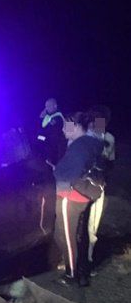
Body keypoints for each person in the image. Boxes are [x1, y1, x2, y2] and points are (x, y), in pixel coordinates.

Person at [53, 110, 104, 286]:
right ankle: (80, 267)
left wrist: (57, 170)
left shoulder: (79, 147)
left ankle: (71, 274)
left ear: (75, 126)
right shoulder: (90, 142)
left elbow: (66, 172)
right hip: (81, 195)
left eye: (66, 125)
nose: (62, 129)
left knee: (66, 236)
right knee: (64, 234)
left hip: (71, 196)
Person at [86, 105, 116, 264]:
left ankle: (88, 258)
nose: (96, 124)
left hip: (98, 186)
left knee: (92, 224)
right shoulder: (84, 137)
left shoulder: (109, 138)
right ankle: (77, 259)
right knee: (82, 223)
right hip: (81, 187)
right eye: (94, 120)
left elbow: (110, 163)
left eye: (100, 121)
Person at [35, 98, 67, 166]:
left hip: (60, 147)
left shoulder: (58, 116)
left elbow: (48, 130)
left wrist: (41, 119)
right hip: (53, 146)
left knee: (60, 165)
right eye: (46, 106)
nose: (46, 108)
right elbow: (42, 126)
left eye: (48, 106)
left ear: (55, 106)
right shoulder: (49, 116)